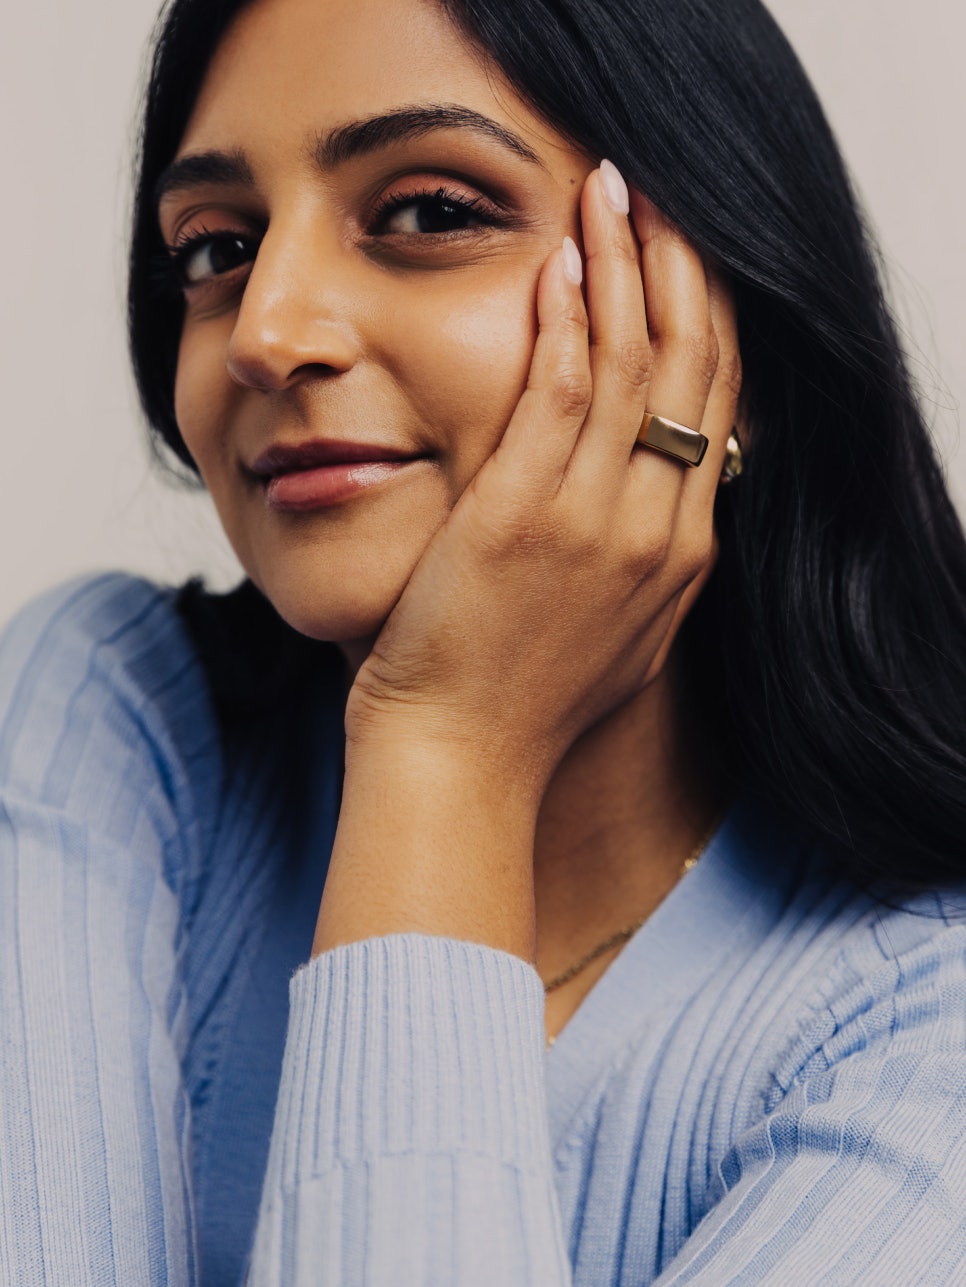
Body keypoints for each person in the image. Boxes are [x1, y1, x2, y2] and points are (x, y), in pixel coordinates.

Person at [2, 0, 965, 1281]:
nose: (266, 330)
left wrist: (444, 753)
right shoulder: (111, 713)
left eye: (430, 212)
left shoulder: (922, 1035)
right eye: (217, 246)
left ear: (718, 314)